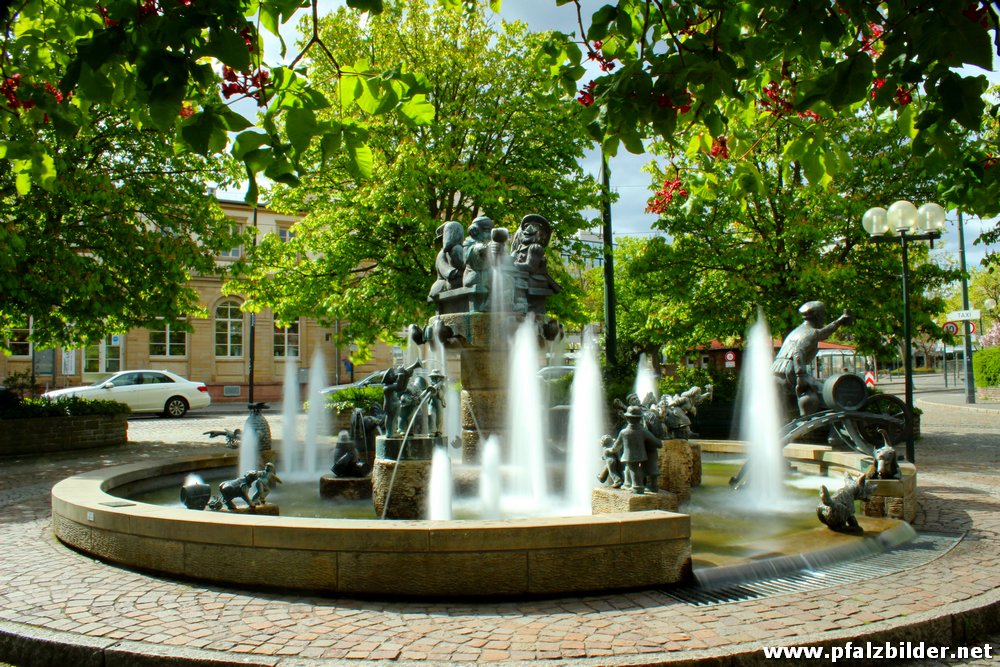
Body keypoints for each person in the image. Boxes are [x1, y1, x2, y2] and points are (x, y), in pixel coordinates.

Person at [771, 301, 853, 416]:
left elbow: (822, 333)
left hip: (776, 371)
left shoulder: (797, 331)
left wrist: (839, 321)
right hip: (790, 371)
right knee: (825, 392)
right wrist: (801, 377)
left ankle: (803, 421)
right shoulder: (809, 333)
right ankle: (811, 423)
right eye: (823, 315)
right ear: (818, 316)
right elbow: (797, 353)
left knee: (783, 409)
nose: (823, 318)